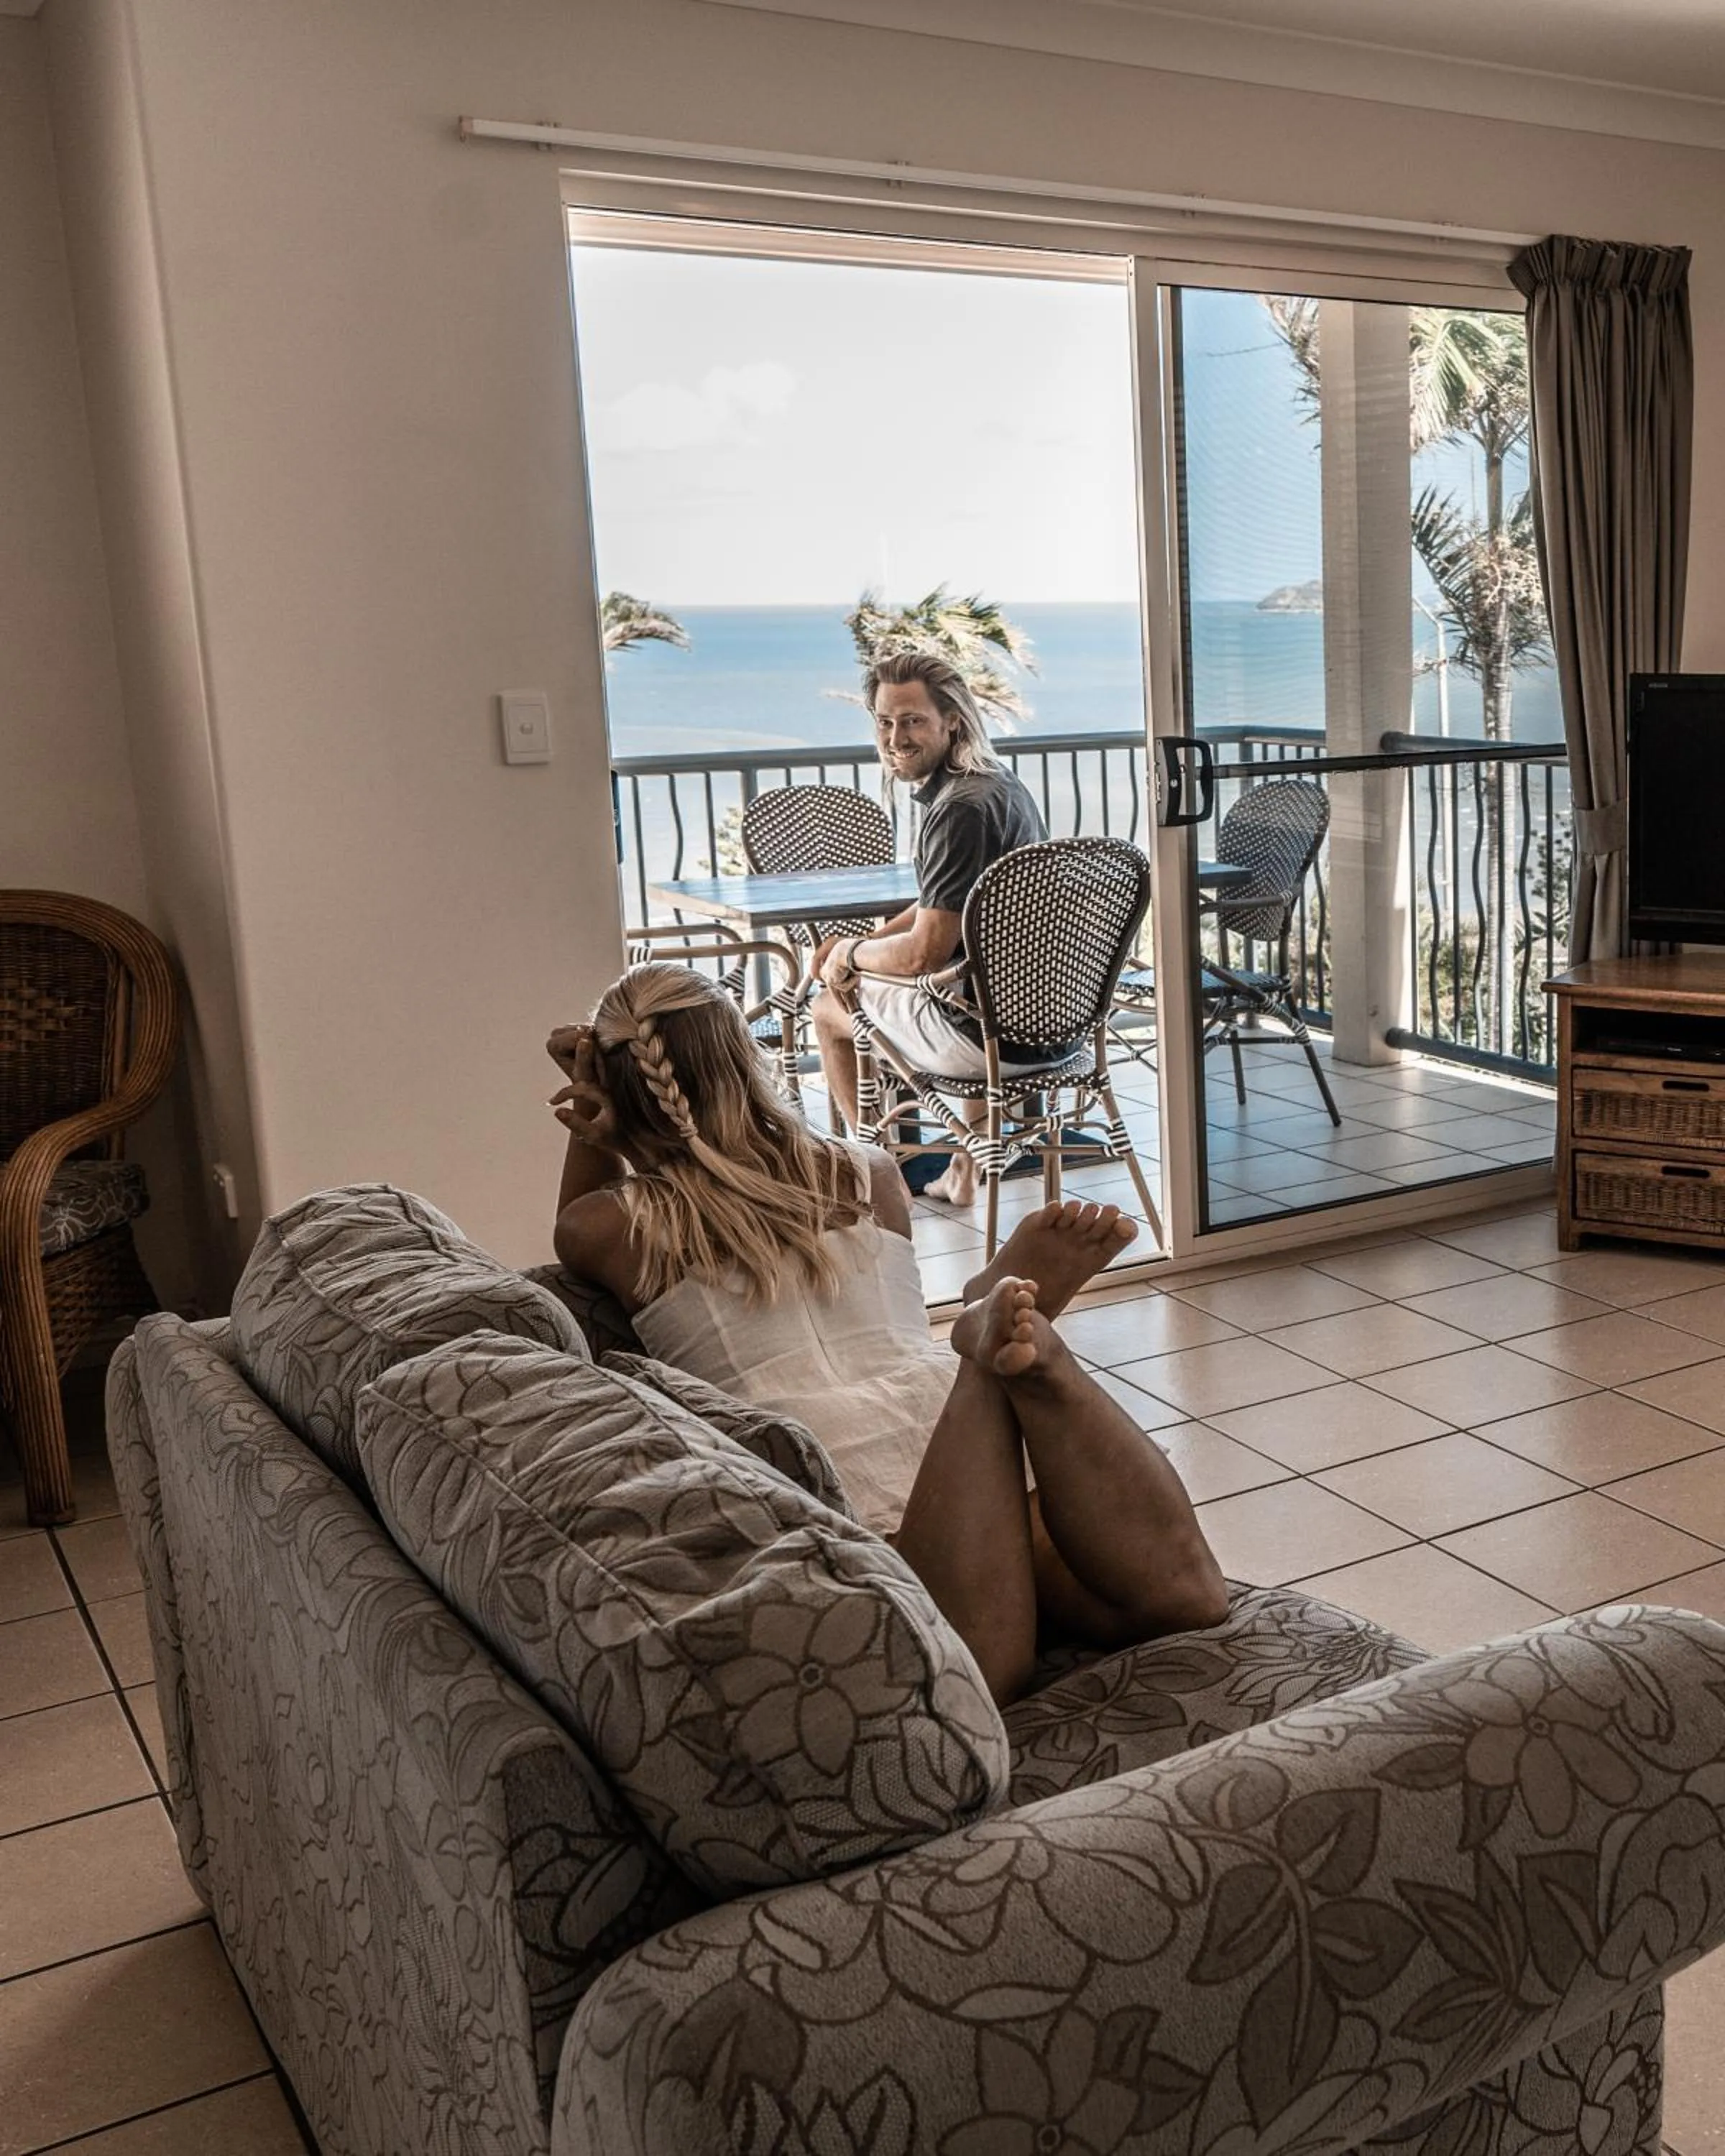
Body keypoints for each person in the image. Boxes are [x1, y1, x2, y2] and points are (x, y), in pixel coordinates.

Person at [548, 962, 1227, 1705]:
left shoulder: (616, 1224)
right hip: (951, 1418)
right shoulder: (867, 1174)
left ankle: (988, 1355)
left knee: (982, 1666)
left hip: (824, 1457)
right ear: (747, 1058)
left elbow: (576, 1224)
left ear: (619, 1090)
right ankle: (1002, 1350)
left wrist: (599, 1124)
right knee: (1183, 1597)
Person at [811, 648, 1047, 1207]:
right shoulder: (997, 785)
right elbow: (936, 910)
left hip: (989, 1038)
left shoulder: (958, 810)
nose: (895, 737)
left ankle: (879, 1179)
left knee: (827, 1009)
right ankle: (963, 1173)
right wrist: (862, 946)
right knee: (965, 980)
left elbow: (926, 953)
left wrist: (847, 956)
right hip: (1047, 1020)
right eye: (886, 722)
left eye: (913, 720)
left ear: (952, 721)